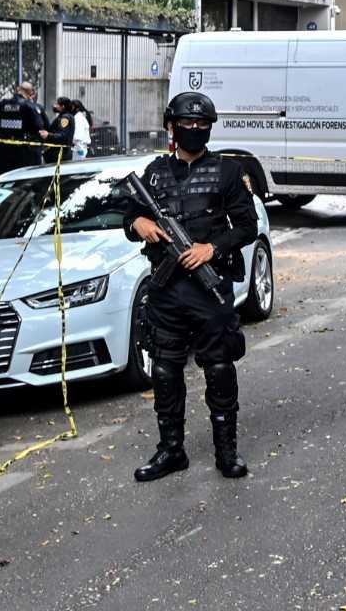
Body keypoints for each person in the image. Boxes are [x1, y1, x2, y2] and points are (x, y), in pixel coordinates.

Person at [123, 92, 258, 481]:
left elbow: (247, 226)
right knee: (165, 370)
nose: (194, 130)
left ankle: (226, 451)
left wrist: (210, 248)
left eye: (202, 125)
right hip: (167, 292)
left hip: (209, 290)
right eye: (187, 124)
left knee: (218, 368)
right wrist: (139, 224)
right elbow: (129, 214)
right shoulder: (153, 173)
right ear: (172, 126)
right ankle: (171, 451)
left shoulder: (228, 172)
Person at [0, 82, 46, 173]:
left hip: (4, 149)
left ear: (17, 90)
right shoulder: (29, 106)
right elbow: (39, 126)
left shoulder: (2, 104)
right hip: (23, 151)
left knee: (4, 176)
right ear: (30, 93)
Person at [41, 97, 90, 162]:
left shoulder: (65, 118)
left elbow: (63, 135)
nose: (54, 106)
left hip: (59, 153)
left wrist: (48, 135)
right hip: (60, 152)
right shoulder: (65, 116)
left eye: (57, 104)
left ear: (62, 106)